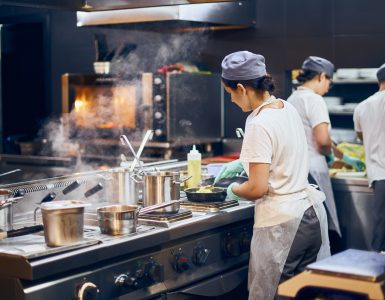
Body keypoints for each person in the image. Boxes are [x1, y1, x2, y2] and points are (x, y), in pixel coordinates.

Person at [215, 51, 330, 300]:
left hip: (284, 227)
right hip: (309, 216)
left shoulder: (258, 122)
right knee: (302, 295)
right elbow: (281, 154)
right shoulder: (285, 107)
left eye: (230, 93)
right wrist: (243, 163)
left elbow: (257, 188)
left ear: (242, 88)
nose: (232, 101)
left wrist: (231, 190)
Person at [287, 56, 365, 242]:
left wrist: (341, 155)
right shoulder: (314, 100)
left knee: (305, 225)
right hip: (314, 170)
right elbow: (322, 141)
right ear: (322, 76)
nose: (329, 87)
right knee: (322, 224)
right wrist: (332, 156)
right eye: (329, 81)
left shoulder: (291, 98)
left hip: (296, 169)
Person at [353, 63, 385, 252]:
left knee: (380, 230)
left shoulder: (362, 106)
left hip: (377, 175)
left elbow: (360, 136)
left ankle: (374, 275)